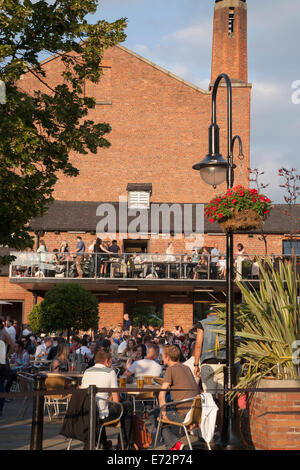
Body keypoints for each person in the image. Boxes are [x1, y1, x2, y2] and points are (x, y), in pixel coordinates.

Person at [80, 348, 133, 449]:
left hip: (86, 413)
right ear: (106, 361)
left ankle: (104, 443)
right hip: (101, 415)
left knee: (102, 406)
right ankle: (125, 444)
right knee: (127, 406)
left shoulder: (87, 371)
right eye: (111, 361)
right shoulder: (110, 372)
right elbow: (116, 400)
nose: (112, 362)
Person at [157, 345, 199, 450]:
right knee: (164, 414)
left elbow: (161, 395)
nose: (162, 358)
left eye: (162, 355)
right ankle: (172, 447)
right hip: (195, 413)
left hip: (184, 415)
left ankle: (175, 445)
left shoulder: (170, 369)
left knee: (156, 415)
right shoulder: (187, 368)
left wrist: (164, 414)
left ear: (167, 357)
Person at [0, 318, 15, 416]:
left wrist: (7, 355)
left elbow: (12, 345)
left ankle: (0, 409)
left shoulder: (4, 333)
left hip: (1, 364)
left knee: (0, 386)